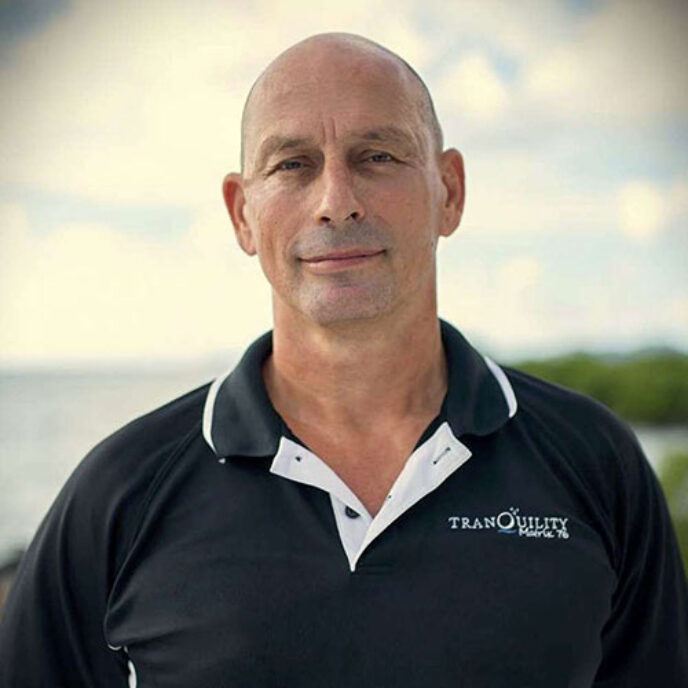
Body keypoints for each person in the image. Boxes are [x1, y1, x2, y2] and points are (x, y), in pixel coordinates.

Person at [1, 32, 686, 688]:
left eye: (377, 156)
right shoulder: (122, 491)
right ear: (242, 213)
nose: (336, 203)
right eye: (292, 165)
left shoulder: (594, 463)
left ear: (449, 191)